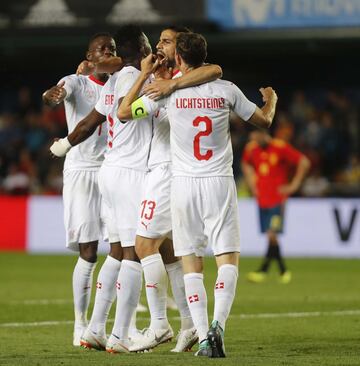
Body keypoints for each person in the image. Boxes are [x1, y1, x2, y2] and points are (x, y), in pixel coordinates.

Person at [117, 31, 278, 358]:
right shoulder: (226, 89)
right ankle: (216, 327)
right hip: (219, 182)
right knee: (227, 258)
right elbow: (263, 121)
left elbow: (122, 113)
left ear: (179, 58)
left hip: (184, 185)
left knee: (191, 262)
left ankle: (203, 334)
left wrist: (153, 79)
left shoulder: (163, 93)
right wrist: (271, 99)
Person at [75, 25, 223, 353]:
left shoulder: (169, 85)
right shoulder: (166, 80)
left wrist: (161, 80)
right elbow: (213, 69)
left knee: (142, 247)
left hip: (164, 173)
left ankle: (158, 324)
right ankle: (190, 325)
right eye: (155, 42)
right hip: (163, 172)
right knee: (168, 250)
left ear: (180, 51)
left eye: (165, 42)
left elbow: (213, 69)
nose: (157, 46)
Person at [42, 32, 116, 346]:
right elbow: (54, 93)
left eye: (112, 48)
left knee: (123, 250)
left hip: (114, 171)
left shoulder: (121, 84)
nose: (108, 53)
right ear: (89, 56)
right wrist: (53, 94)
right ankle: (80, 324)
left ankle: (109, 326)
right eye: (103, 49)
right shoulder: (77, 82)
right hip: (82, 172)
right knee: (88, 252)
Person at [242, 129, 310, 284]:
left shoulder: (280, 147)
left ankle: (276, 270)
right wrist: (252, 183)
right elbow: (245, 164)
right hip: (262, 200)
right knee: (270, 236)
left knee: (272, 234)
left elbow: (304, 162)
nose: (253, 138)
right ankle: (275, 271)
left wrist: (293, 185)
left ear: (264, 134)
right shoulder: (252, 149)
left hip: (277, 201)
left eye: (255, 135)